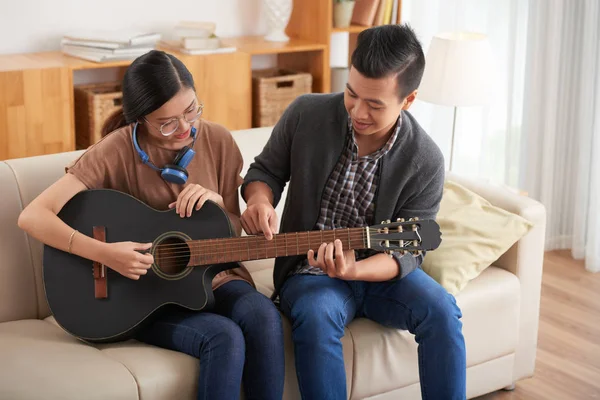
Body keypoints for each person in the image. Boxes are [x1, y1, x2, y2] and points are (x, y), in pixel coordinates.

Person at [17, 50, 284, 400]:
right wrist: (106, 254)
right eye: (167, 122)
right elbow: (33, 216)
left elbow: (232, 232)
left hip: (214, 278)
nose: (185, 128)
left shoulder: (217, 141)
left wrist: (217, 206)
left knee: (264, 315)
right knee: (224, 337)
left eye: (191, 111)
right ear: (140, 119)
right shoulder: (113, 151)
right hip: (142, 297)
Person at [240, 24, 466, 400]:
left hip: (381, 275)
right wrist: (259, 201)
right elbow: (265, 171)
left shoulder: (425, 159)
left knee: (442, 311)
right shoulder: (306, 114)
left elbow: (408, 250)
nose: (358, 112)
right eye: (352, 94)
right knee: (316, 315)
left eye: (375, 104)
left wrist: (354, 269)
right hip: (310, 271)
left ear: (408, 100)